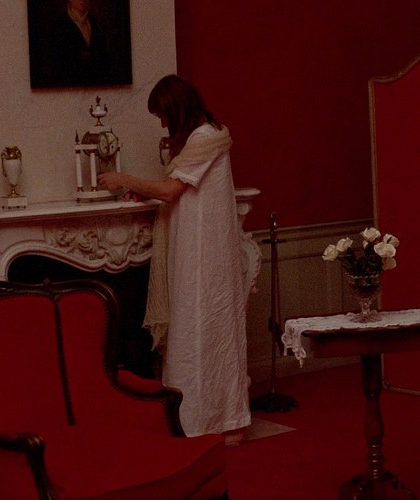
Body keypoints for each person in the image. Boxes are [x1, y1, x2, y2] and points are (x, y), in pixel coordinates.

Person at [97, 75, 250, 445]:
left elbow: (170, 190)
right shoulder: (206, 135)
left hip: (205, 252)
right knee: (197, 328)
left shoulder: (205, 138)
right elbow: (177, 191)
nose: (163, 123)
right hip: (196, 246)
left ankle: (214, 420)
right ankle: (204, 418)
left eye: (164, 116)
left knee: (203, 328)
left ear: (178, 110)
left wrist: (123, 179)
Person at [39, 0, 117, 86]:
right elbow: (56, 61)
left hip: (95, 83)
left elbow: (104, 57)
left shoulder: (96, 23)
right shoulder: (58, 25)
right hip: (68, 84)